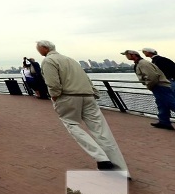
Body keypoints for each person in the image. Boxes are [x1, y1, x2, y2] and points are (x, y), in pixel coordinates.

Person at [37, 40, 129, 174]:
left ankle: (101, 158)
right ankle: (121, 168)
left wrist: (54, 96)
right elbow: (86, 78)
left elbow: (53, 83)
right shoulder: (71, 60)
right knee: (102, 131)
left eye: (38, 48)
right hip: (88, 96)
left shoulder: (48, 61)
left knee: (72, 124)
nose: (38, 51)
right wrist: (94, 92)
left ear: (45, 48)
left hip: (68, 97)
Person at [123, 50, 175, 134]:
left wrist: (149, 85)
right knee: (162, 104)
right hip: (160, 86)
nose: (126, 56)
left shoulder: (143, 63)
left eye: (127, 55)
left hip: (160, 86)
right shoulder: (141, 63)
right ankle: (164, 122)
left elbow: (152, 76)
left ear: (133, 55)